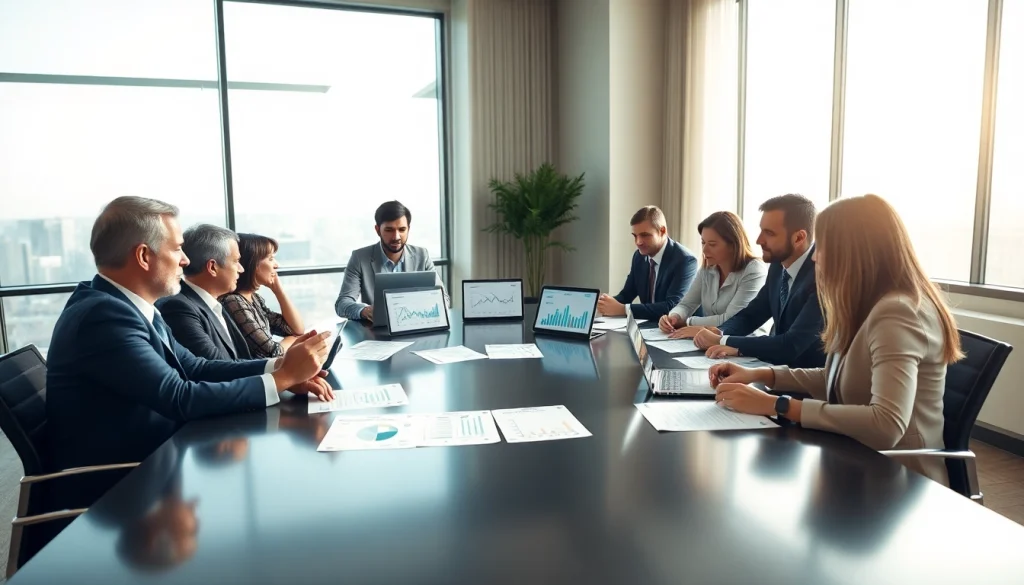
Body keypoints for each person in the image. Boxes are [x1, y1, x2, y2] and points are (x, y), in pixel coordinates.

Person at [46, 196, 334, 508]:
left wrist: (279, 369)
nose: (185, 260)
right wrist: (284, 377)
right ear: (144, 256)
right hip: (121, 487)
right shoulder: (103, 317)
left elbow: (195, 367)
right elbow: (178, 396)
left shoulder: (136, 308)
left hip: (158, 459)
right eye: (177, 248)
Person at [710, 194, 962, 485]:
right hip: (854, 455)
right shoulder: (863, 304)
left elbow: (887, 424)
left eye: (824, 247)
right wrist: (760, 374)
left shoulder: (898, 313)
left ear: (854, 252)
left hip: (897, 478)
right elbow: (835, 377)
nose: (815, 257)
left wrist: (776, 405)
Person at [157, 225, 333, 399]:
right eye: (236, 261)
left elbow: (235, 363)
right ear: (212, 267)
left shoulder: (213, 302)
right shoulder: (179, 307)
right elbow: (214, 370)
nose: (241, 269)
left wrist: (283, 369)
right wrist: (284, 376)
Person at [693, 194, 825, 368]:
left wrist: (725, 341)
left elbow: (791, 345)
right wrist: (722, 331)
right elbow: (753, 314)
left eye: (769, 233)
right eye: (761, 230)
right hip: (774, 370)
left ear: (799, 238)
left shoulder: (823, 274)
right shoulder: (778, 264)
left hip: (806, 383)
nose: (758, 240)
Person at [657, 211, 767, 337]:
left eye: (712, 244)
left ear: (733, 245)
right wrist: (673, 317)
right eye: (703, 242)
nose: (704, 250)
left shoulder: (754, 270)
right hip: (711, 341)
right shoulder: (707, 269)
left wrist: (688, 322)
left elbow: (731, 319)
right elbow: (686, 304)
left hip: (744, 346)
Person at [334, 200, 447, 322]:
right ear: (378, 230)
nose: (396, 237)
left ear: (408, 229)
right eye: (389, 230)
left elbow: (443, 299)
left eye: (402, 229)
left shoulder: (422, 256)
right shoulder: (360, 258)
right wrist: (365, 311)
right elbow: (342, 304)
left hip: (415, 327)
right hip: (376, 333)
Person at [597, 205, 698, 320]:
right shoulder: (639, 256)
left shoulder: (685, 260)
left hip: (680, 331)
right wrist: (603, 304)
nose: (638, 242)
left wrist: (623, 309)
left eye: (645, 235)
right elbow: (626, 295)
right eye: (635, 236)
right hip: (649, 328)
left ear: (662, 231)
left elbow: (672, 307)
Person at [221, 233, 304, 359]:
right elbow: (271, 352)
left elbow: (295, 329)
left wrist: (279, 291)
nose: (276, 265)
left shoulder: (254, 298)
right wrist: (293, 339)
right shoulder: (233, 301)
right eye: (270, 259)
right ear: (252, 263)